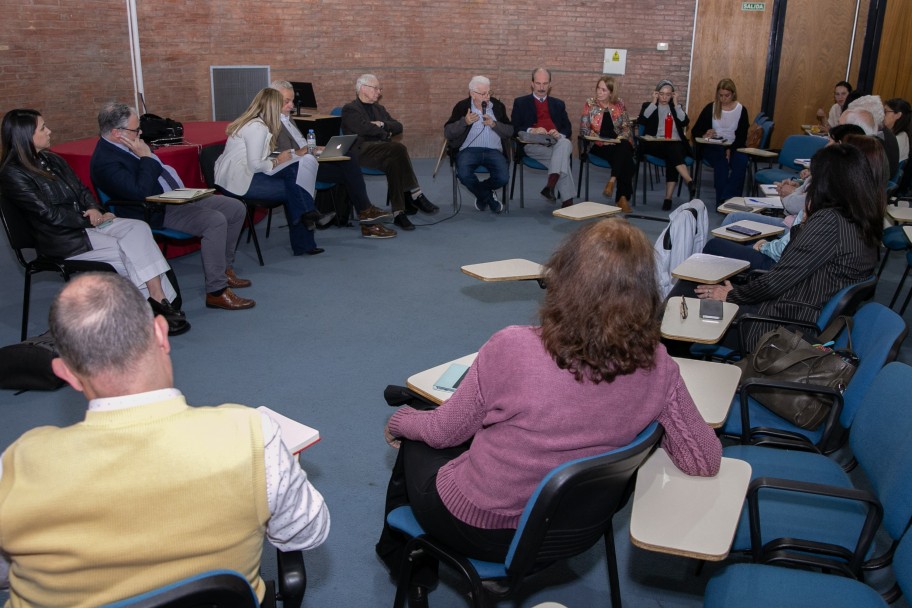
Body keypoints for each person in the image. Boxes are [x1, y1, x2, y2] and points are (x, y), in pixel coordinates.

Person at [377, 219, 722, 601]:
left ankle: (405, 562)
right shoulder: (659, 365)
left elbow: (445, 433)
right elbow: (703, 459)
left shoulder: (512, 347)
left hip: (479, 525)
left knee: (417, 436)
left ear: (564, 279)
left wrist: (401, 422)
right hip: (570, 531)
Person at [0, 272, 329, 606]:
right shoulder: (253, 436)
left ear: (66, 372)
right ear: (161, 333)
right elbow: (307, 532)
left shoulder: (17, 467)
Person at [0, 108, 189, 335]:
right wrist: (88, 219)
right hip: (65, 239)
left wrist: (93, 208)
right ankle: (160, 307)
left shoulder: (52, 159)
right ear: (25, 136)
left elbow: (82, 190)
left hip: (89, 225)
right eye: (42, 128)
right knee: (128, 251)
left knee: (139, 228)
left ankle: (157, 302)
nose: (49, 131)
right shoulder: (12, 174)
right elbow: (47, 214)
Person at [690, 143, 883, 352]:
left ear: (827, 182)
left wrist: (731, 295)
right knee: (693, 297)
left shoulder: (829, 222)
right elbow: (796, 263)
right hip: (801, 322)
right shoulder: (862, 222)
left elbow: (776, 280)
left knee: (683, 303)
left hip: (777, 329)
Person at [90, 102, 255, 310]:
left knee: (235, 208)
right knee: (214, 221)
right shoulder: (106, 161)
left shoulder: (129, 144)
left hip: (175, 197)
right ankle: (216, 291)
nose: (140, 133)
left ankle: (223, 270)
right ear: (116, 132)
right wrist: (145, 158)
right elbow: (140, 193)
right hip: (154, 209)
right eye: (136, 129)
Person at [269, 80, 397, 239]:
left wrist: (317, 148)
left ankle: (367, 216)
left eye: (292, 101)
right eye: (287, 101)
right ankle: (367, 216)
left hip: (311, 160)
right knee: (351, 171)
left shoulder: (288, 117)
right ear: (273, 100)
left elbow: (303, 144)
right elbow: (278, 155)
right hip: (297, 168)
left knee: (349, 159)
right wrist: (303, 151)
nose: (292, 105)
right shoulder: (270, 122)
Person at [214, 88, 328, 257]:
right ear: (273, 107)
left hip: (239, 174)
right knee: (296, 187)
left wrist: (286, 157)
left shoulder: (255, 123)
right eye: (283, 103)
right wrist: (276, 161)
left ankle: (308, 220)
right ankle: (307, 228)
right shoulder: (257, 128)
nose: (288, 107)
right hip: (238, 180)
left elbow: (260, 157)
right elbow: (255, 165)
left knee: (294, 178)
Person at [341, 74, 438, 232]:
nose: (379, 92)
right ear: (363, 89)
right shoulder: (350, 109)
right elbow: (364, 128)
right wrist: (384, 132)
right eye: (376, 88)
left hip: (382, 152)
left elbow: (398, 126)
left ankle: (399, 213)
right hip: (359, 154)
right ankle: (415, 193)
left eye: (380, 89)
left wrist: (380, 124)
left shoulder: (379, 109)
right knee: (399, 148)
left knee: (394, 161)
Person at [443, 75, 513, 214]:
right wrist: (465, 122)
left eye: (489, 92)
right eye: (483, 93)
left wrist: (494, 124)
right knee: (463, 174)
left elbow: (510, 131)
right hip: (468, 150)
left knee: (503, 178)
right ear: (472, 94)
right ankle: (489, 198)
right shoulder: (462, 106)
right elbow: (448, 132)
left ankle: (482, 194)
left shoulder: (498, 106)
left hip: (494, 151)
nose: (487, 96)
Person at [511, 68, 576, 207]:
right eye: (538, 83)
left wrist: (559, 134)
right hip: (532, 145)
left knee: (564, 143)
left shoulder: (558, 104)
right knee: (562, 158)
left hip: (555, 142)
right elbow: (515, 128)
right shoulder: (520, 102)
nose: (541, 87)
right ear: (532, 84)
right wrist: (532, 130)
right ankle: (567, 201)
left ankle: (551, 186)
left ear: (550, 84)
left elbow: (568, 129)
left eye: (545, 84)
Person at [637, 79, 697, 211]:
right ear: (657, 93)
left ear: (672, 95)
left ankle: (668, 198)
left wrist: (676, 104)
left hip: (674, 144)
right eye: (661, 94)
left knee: (673, 153)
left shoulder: (675, 107)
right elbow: (642, 120)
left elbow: (684, 122)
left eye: (668, 94)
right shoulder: (648, 106)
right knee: (673, 151)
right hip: (655, 144)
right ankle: (688, 180)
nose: (664, 97)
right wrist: (653, 102)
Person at [580, 75, 635, 213]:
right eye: (598, 88)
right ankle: (622, 198)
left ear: (611, 92)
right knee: (628, 162)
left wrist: (619, 138)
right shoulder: (590, 104)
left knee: (623, 147)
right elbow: (584, 128)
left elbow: (627, 127)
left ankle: (612, 181)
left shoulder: (619, 104)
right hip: (598, 145)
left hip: (617, 144)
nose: (599, 92)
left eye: (604, 90)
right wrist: (597, 138)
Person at [692, 78, 750, 208]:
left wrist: (730, 148)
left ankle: (728, 198)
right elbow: (696, 131)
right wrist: (705, 133)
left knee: (741, 161)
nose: (723, 99)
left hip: (735, 145)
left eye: (727, 95)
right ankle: (722, 201)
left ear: (733, 94)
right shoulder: (711, 107)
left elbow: (742, 137)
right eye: (721, 95)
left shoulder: (741, 110)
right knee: (721, 161)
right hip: (714, 146)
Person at [884, 97, 911, 163]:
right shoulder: (891, 132)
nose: (882, 114)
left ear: (898, 115)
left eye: (885, 112)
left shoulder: (899, 139)